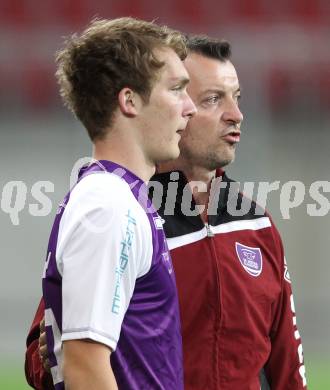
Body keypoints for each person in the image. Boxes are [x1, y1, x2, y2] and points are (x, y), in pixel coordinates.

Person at [25, 34, 307, 390]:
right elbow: (51, 356)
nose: (236, 115)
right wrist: (66, 354)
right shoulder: (125, 214)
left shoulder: (256, 223)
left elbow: (287, 365)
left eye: (236, 98)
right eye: (212, 99)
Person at [27, 17, 196, 390]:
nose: (190, 107)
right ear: (129, 100)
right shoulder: (108, 207)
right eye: (176, 89)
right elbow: (85, 365)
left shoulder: (119, 198)